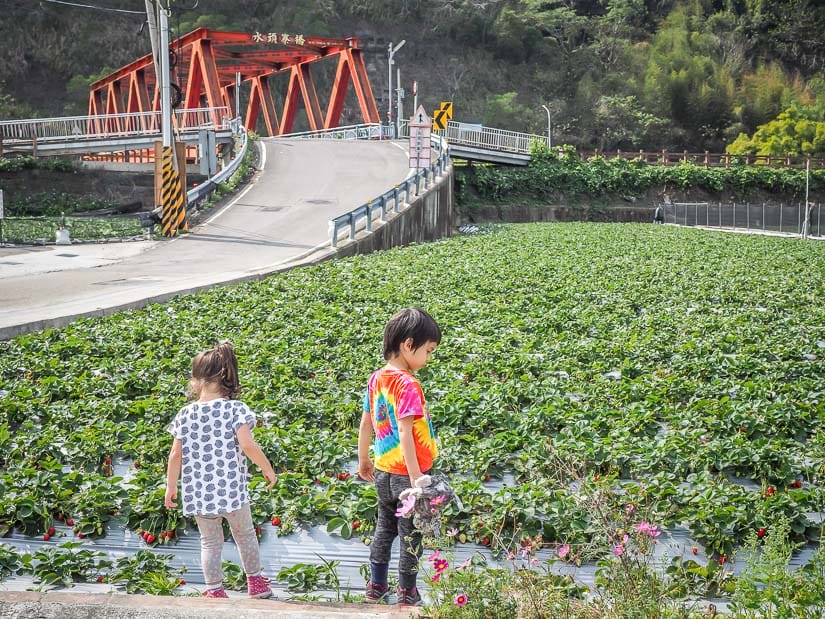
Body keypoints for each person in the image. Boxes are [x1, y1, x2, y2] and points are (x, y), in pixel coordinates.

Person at [164, 341, 277, 599]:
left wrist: (171, 487)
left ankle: (214, 590)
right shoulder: (234, 409)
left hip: (200, 494)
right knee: (245, 535)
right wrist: (267, 468)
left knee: (210, 542)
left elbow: (175, 454)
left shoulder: (186, 414)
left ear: (196, 381)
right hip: (232, 492)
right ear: (226, 376)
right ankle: (256, 583)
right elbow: (248, 445)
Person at [358, 308, 442, 606]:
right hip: (407, 475)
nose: (428, 358)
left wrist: (363, 459)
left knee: (384, 530)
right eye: (428, 351)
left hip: (382, 471)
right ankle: (408, 592)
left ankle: (376, 587)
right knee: (411, 534)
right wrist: (416, 476)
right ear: (409, 345)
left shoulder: (377, 378)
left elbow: (367, 421)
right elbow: (406, 433)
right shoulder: (408, 384)